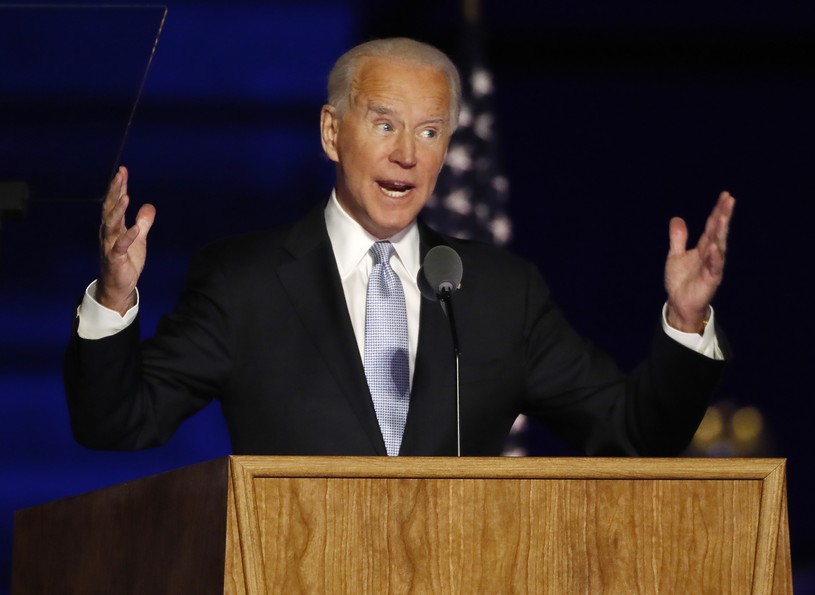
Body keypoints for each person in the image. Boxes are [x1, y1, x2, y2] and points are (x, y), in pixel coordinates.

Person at [65, 37, 735, 457]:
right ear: (332, 133)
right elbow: (117, 422)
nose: (406, 155)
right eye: (384, 124)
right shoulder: (245, 282)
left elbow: (632, 433)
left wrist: (683, 322)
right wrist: (115, 300)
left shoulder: (502, 292)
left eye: (430, 131)